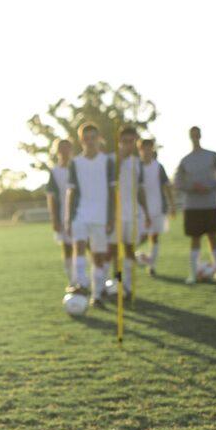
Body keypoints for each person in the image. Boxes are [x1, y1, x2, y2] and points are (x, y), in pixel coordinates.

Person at [64, 122, 116, 307]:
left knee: (98, 257)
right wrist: (69, 218)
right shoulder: (75, 163)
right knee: (78, 246)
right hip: (80, 214)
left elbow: (112, 191)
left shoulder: (107, 161)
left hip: (101, 216)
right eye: (86, 138)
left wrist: (111, 217)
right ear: (81, 140)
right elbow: (70, 192)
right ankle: (81, 284)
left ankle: (97, 294)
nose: (90, 141)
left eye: (93, 137)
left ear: (98, 138)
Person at [174, 126, 216, 283]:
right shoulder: (185, 160)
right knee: (195, 239)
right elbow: (177, 182)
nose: (195, 138)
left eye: (197, 135)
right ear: (190, 137)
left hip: (210, 204)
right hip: (192, 206)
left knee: (213, 237)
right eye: (192, 136)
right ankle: (192, 273)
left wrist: (210, 185)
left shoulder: (212, 156)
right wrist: (191, 187)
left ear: (200, 136)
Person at [113, 126, 151, 297]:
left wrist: (147, 212)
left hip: (132, 213)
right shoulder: (112, 159)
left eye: (132, 142)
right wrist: (121, 154)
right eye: (125, 141)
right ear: (120, 142)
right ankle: (117, 283)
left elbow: (141, 190)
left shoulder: (137, 163)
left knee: (129, 250)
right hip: (114, 214)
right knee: (114, 251)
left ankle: (126, 285)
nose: (129, 145)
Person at [136, 138, 174, 276]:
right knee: (142, 236)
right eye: (143, 148)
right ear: (140, 150)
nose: (146, 151)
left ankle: (151, 264)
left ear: (152, 149)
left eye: (149, 148)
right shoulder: (136, 167)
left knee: (154, 237)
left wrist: (171, 204)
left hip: (158, 206)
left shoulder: (158, 166)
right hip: (140, 209)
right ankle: (131, 256)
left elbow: (166, 186)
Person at [44, 138, 75, 285]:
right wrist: (54, 219)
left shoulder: (77, 168)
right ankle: (72, 280)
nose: (64, 151)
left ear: (71, 150)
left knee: (88, 247)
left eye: (66, 148)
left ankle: (91, 280)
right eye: (61, 148)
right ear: (57, 152)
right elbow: (50, 198)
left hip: (80, 214)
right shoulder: (54, 172)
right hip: (63, 216)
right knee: (68, 248)